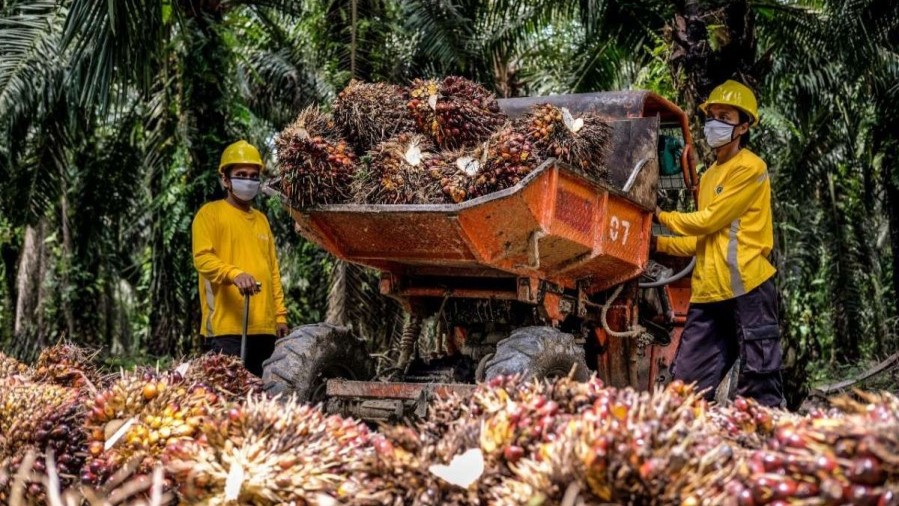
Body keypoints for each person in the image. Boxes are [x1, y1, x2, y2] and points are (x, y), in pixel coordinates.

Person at [653, 80, 784, 407]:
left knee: (759, 386)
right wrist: (657, 245)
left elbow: (710, 220)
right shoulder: (709, 175)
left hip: (747, 289)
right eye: (711, 115)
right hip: (709, 293)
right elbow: (702, 239)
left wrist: (661, 216)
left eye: (724, 116)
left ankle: (764, 450)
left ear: (743, 126)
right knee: (684, 392)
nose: (714, 123)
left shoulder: (751, 169)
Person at [192, 140, 289, 377]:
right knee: (227, 396)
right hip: (226, 329)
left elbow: (272, 270)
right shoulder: (210, 214)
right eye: (241, 174)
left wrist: (280, 315)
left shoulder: (262, 220)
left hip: (264, 329)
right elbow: (203, 259)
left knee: (261, 398)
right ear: (226, 179)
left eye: (254, 176)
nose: (248, 180)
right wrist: (235, 274)